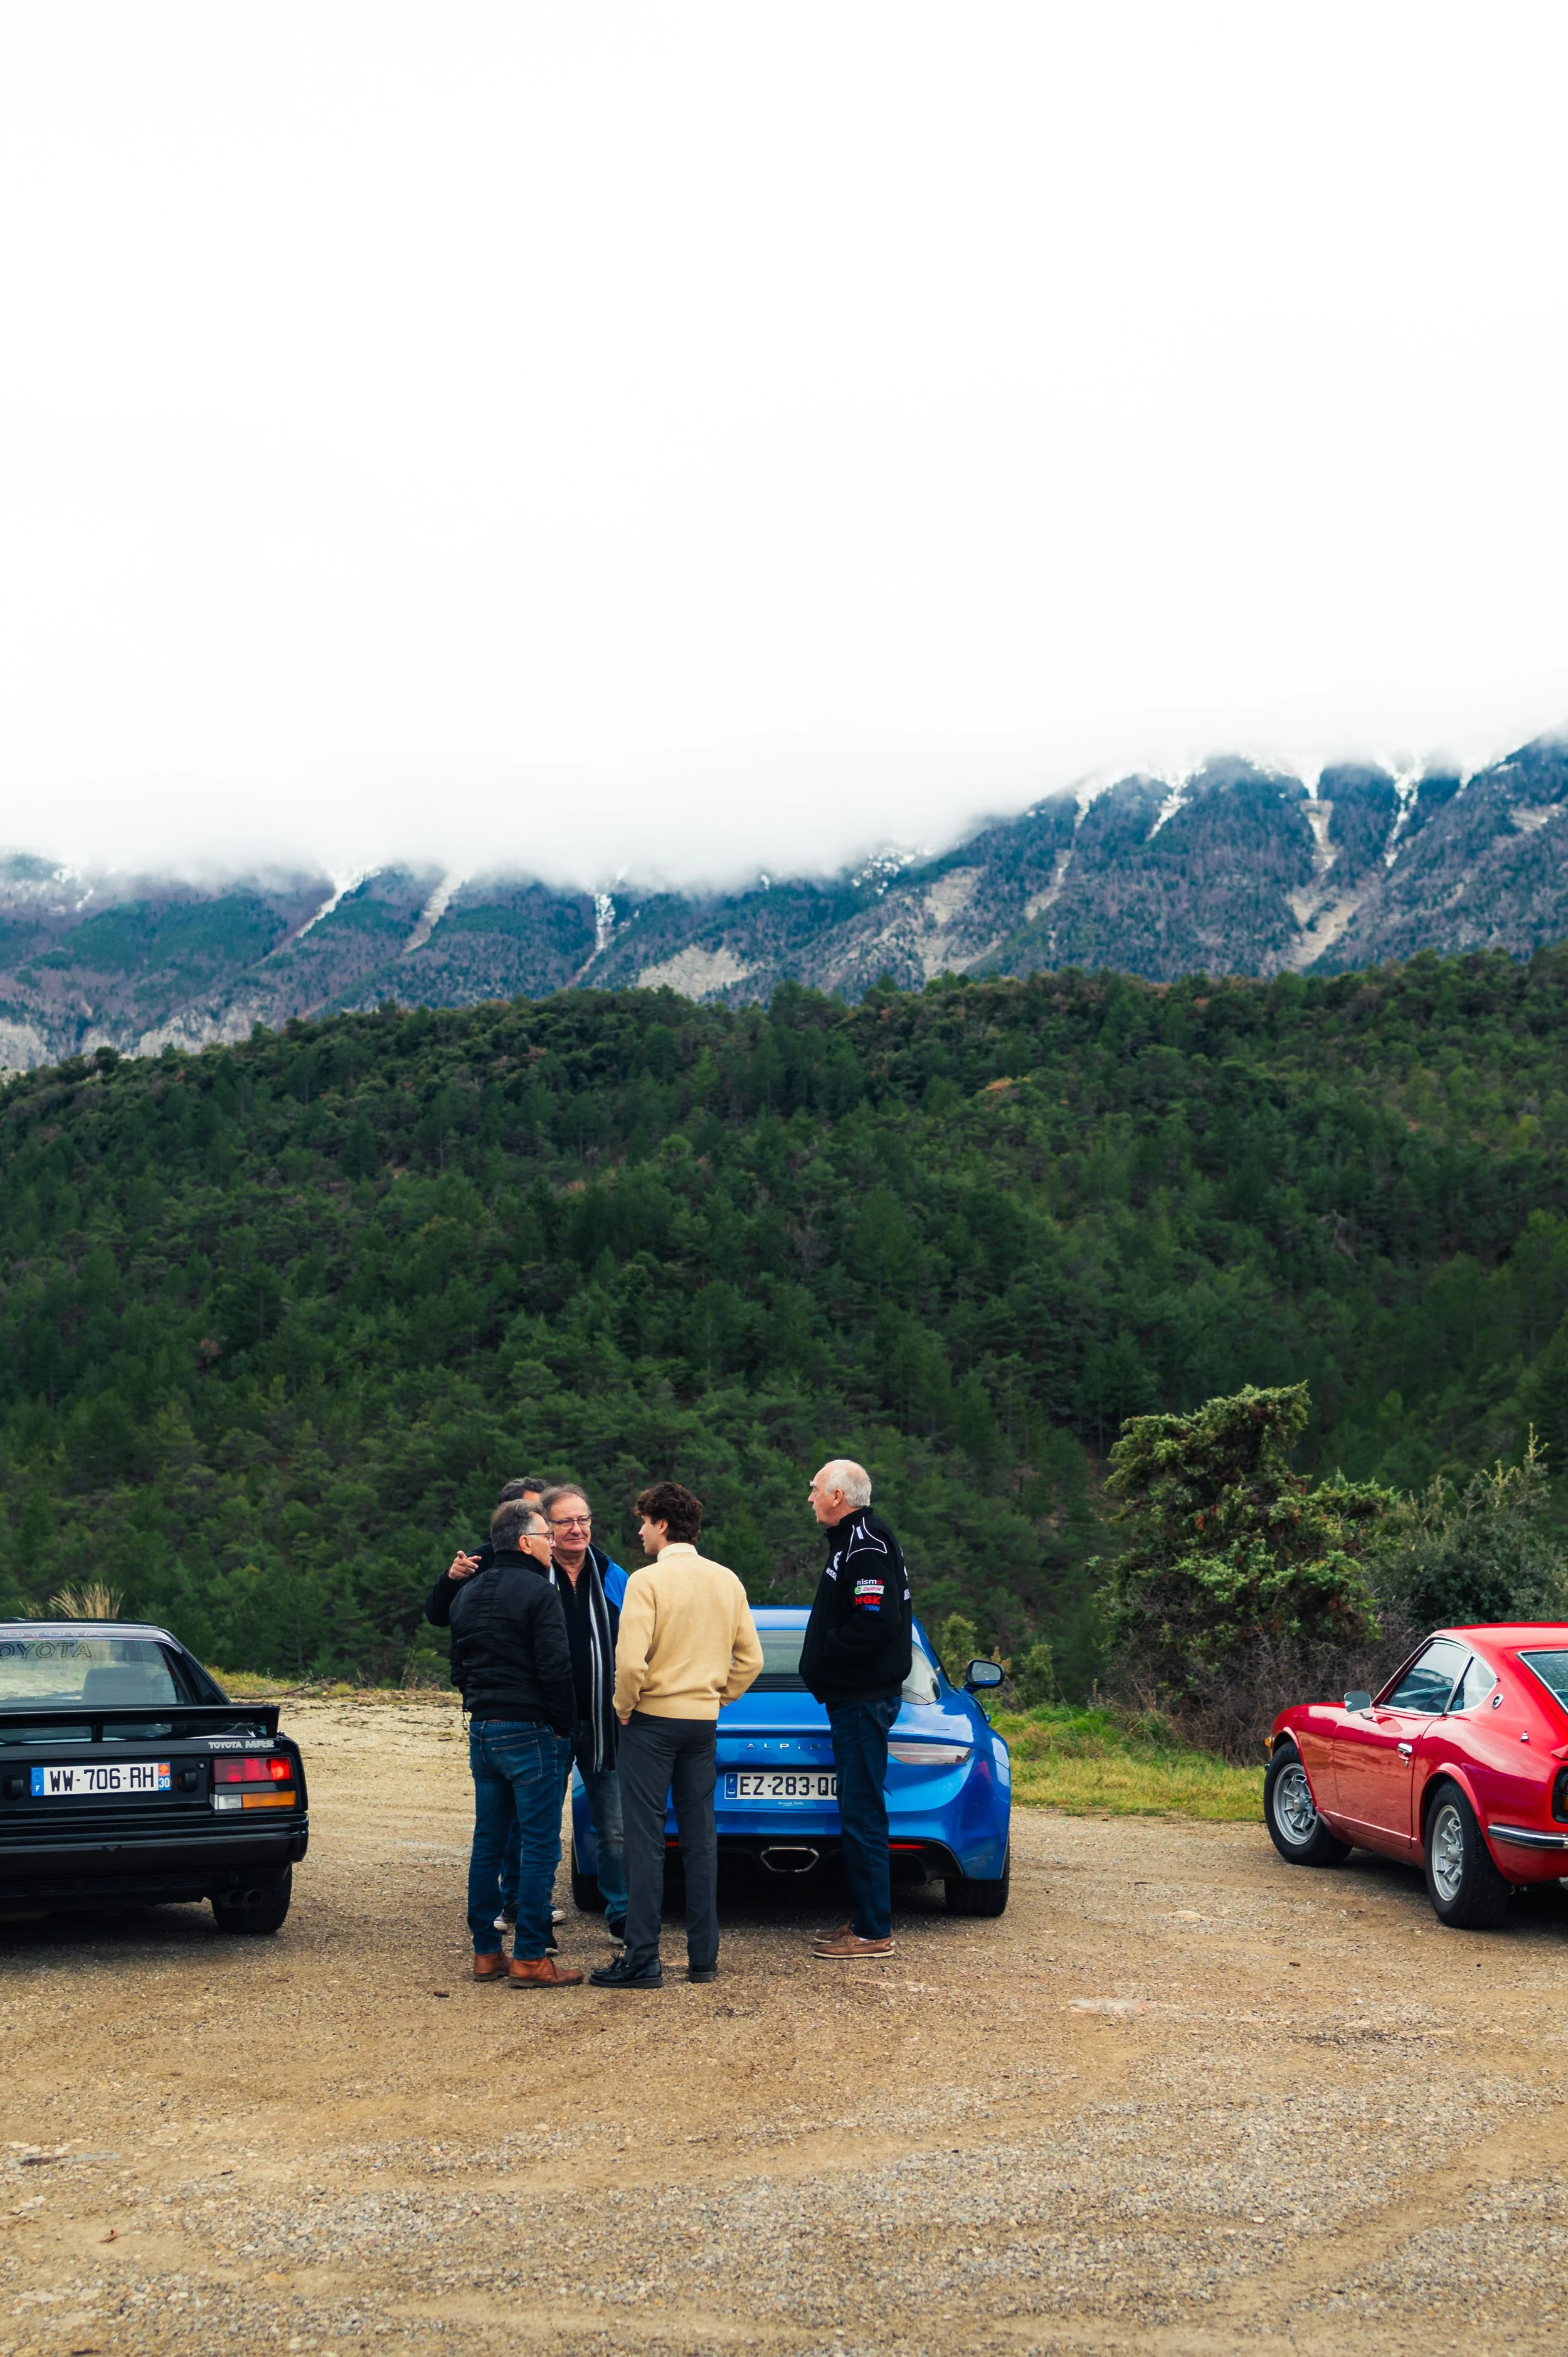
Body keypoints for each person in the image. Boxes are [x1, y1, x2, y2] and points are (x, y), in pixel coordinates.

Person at [590, 1483, 762, 1990]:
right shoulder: (726, 1580)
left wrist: (624, 1707)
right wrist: (716, 1697)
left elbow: (629, 1661)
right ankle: (703, 1959)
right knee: (700, 1837)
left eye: (643, 1522)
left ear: (662, 1524)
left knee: (645, 1841)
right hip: (701, 1723)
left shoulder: (648, 1582)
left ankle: (643, 1958)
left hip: (650, 1723)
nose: (640, 1531)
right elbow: (750, 1659)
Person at [442, 1497, 581, 1988]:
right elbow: (555, 1667)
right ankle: (529, 1958)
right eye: (547, 1535)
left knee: (489, 1842)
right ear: (526, 1542)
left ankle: (486, 1953)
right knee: (540, 1846)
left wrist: (479, 1700)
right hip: (532, 1729)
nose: (552, 1543)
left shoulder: (468, 1594)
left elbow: (458, 1664)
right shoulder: (539, 1593)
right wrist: (565, 1726)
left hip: (483, 1728)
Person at [798, 1459, 913, 1961]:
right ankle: (865, 1919)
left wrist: (825, 1655)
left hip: (863, 1698)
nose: (810, 1498)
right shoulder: (854, 1538)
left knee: (863, 1813)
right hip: (855, 1696)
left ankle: (873, 1931)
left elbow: (874, 1623)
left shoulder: (865, 1544)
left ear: (838, 1497)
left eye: (815, 1489)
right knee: (857, 1810)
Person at [536, 1485, 630, 1941]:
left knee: (615, 1829)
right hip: (546, 1724)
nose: (577, 1530)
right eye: (565, 1522)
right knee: (539, 1829)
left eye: (583, 1520)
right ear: (546, 1531)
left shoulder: (616, 1577)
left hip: (605, 1722)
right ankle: (534, 1915)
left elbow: (639, 1643)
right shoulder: (532, 1575)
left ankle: (622, 1912)